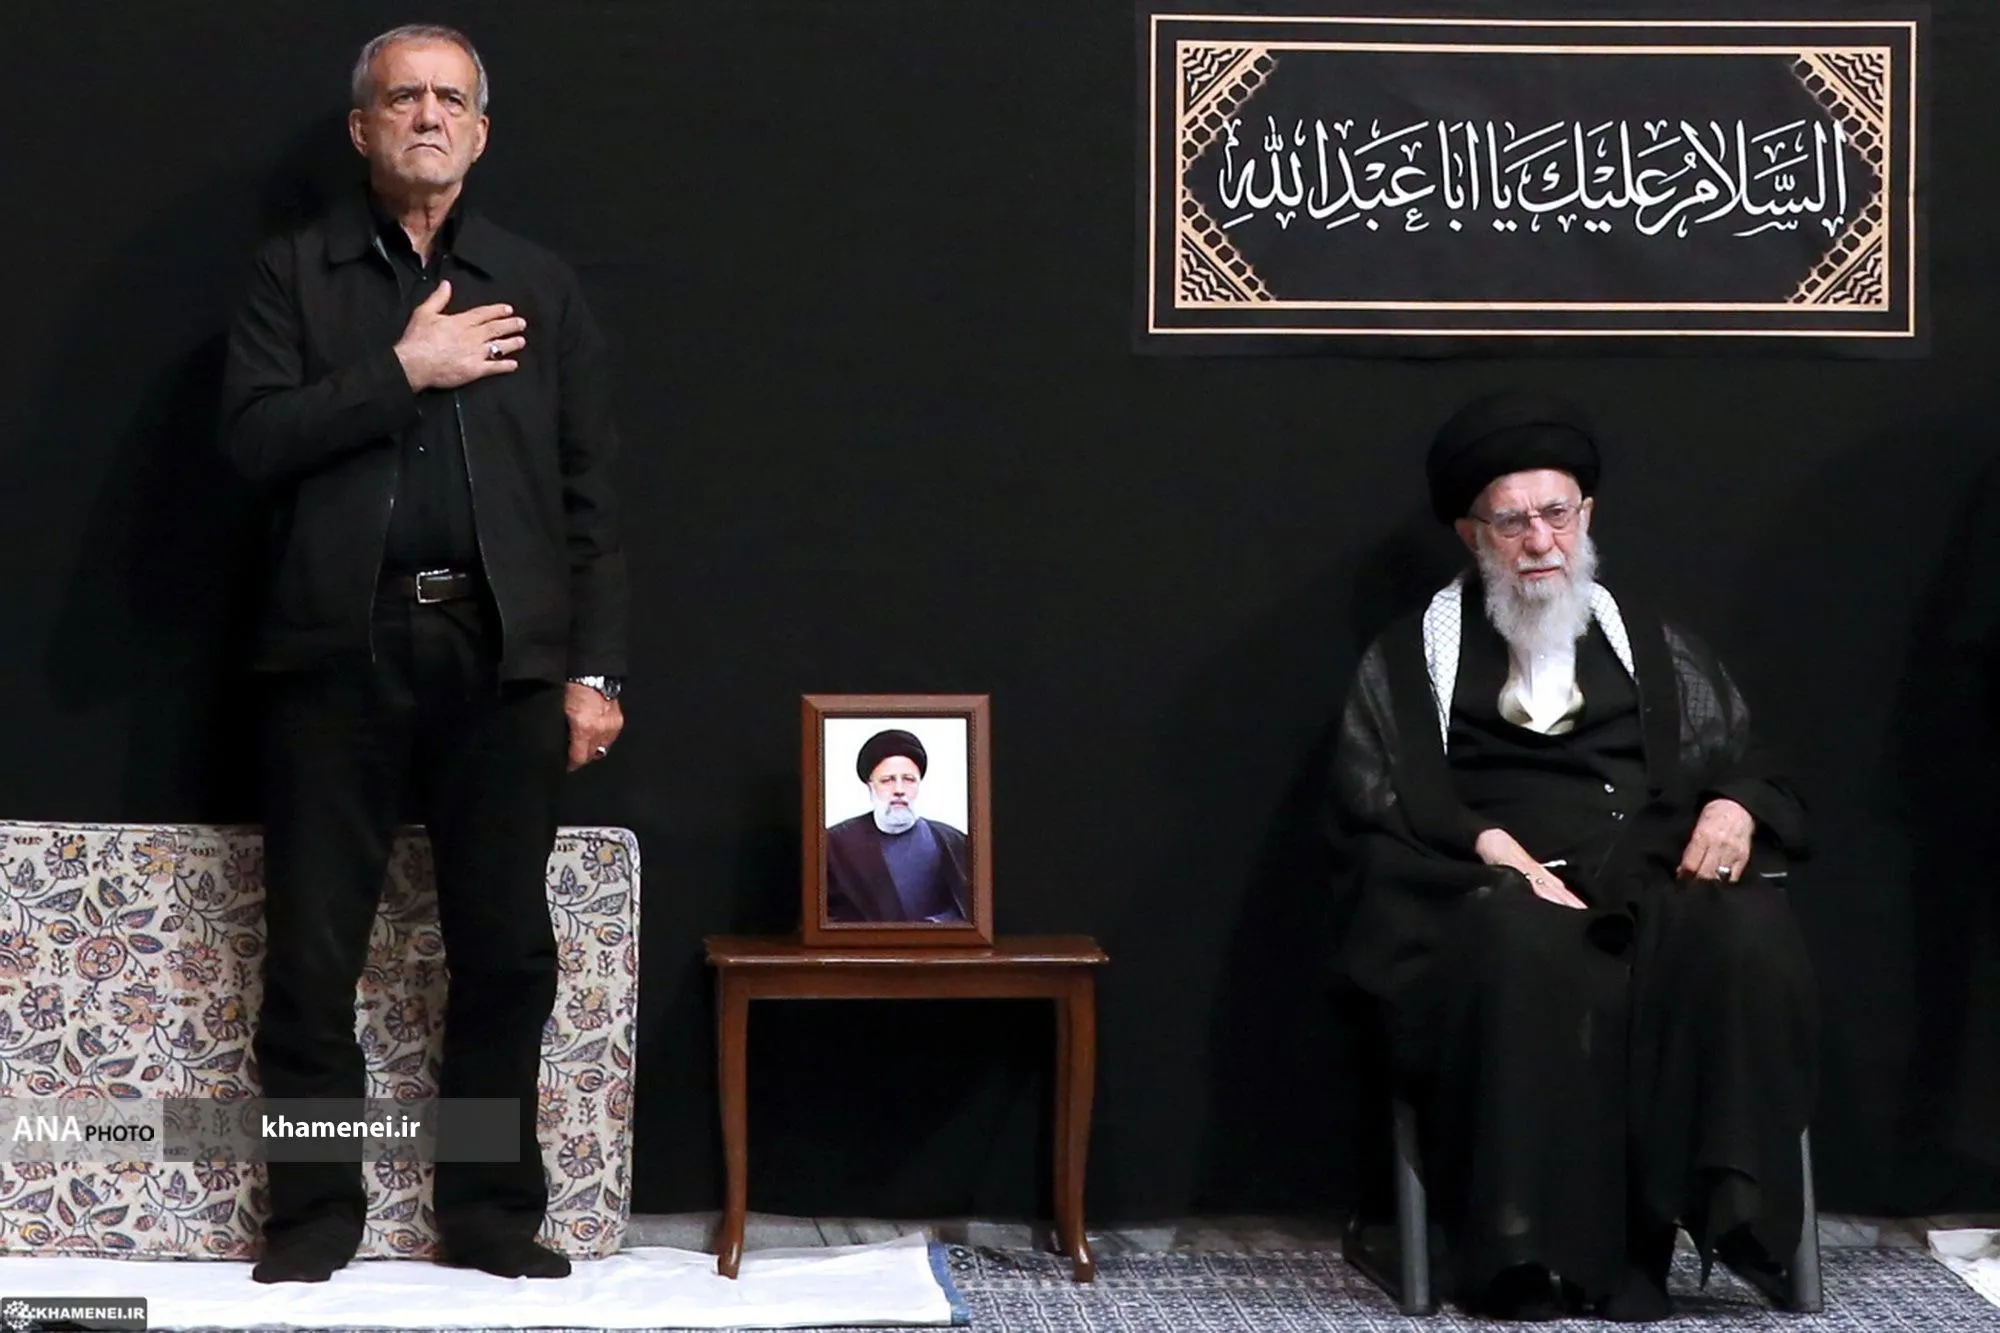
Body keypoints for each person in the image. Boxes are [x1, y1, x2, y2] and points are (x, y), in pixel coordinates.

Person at [220, 23, 628, 1284]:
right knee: (311, 958)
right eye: (404, 97)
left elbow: (589, 496)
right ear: (364, 128)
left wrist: (596, 670)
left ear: (481, 132)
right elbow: (251, 441)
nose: (429, 115)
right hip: (333, 654)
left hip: (500, 656)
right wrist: (404, 368)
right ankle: (312, 1217)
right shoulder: (292, 275)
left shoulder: (538, 284)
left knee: (505, 953)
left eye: (452, 98)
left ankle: (490, 1213)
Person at [1327, 392, 1818, 1321]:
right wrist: (1496, 851)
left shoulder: (1654, 644)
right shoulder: (1408, 658)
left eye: (1556, 513)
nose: (1540, 541)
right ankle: (1528, 1249)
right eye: (1512, 521)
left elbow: (1748, 760)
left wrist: (1733, 806)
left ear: (1586, 516)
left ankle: (1733, 1208)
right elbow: (1374, 796)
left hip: (1646, 872)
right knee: (1524, 946)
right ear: (1473, 533)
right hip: (1485, 886)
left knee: (1744, 929)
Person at [826, 729, 970, 923]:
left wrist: (932, 926)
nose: (899, 790)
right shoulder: (834, 845)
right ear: (870, 786)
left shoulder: (953, 841)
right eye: (887, 780)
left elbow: (970, 909)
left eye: (909, 780)